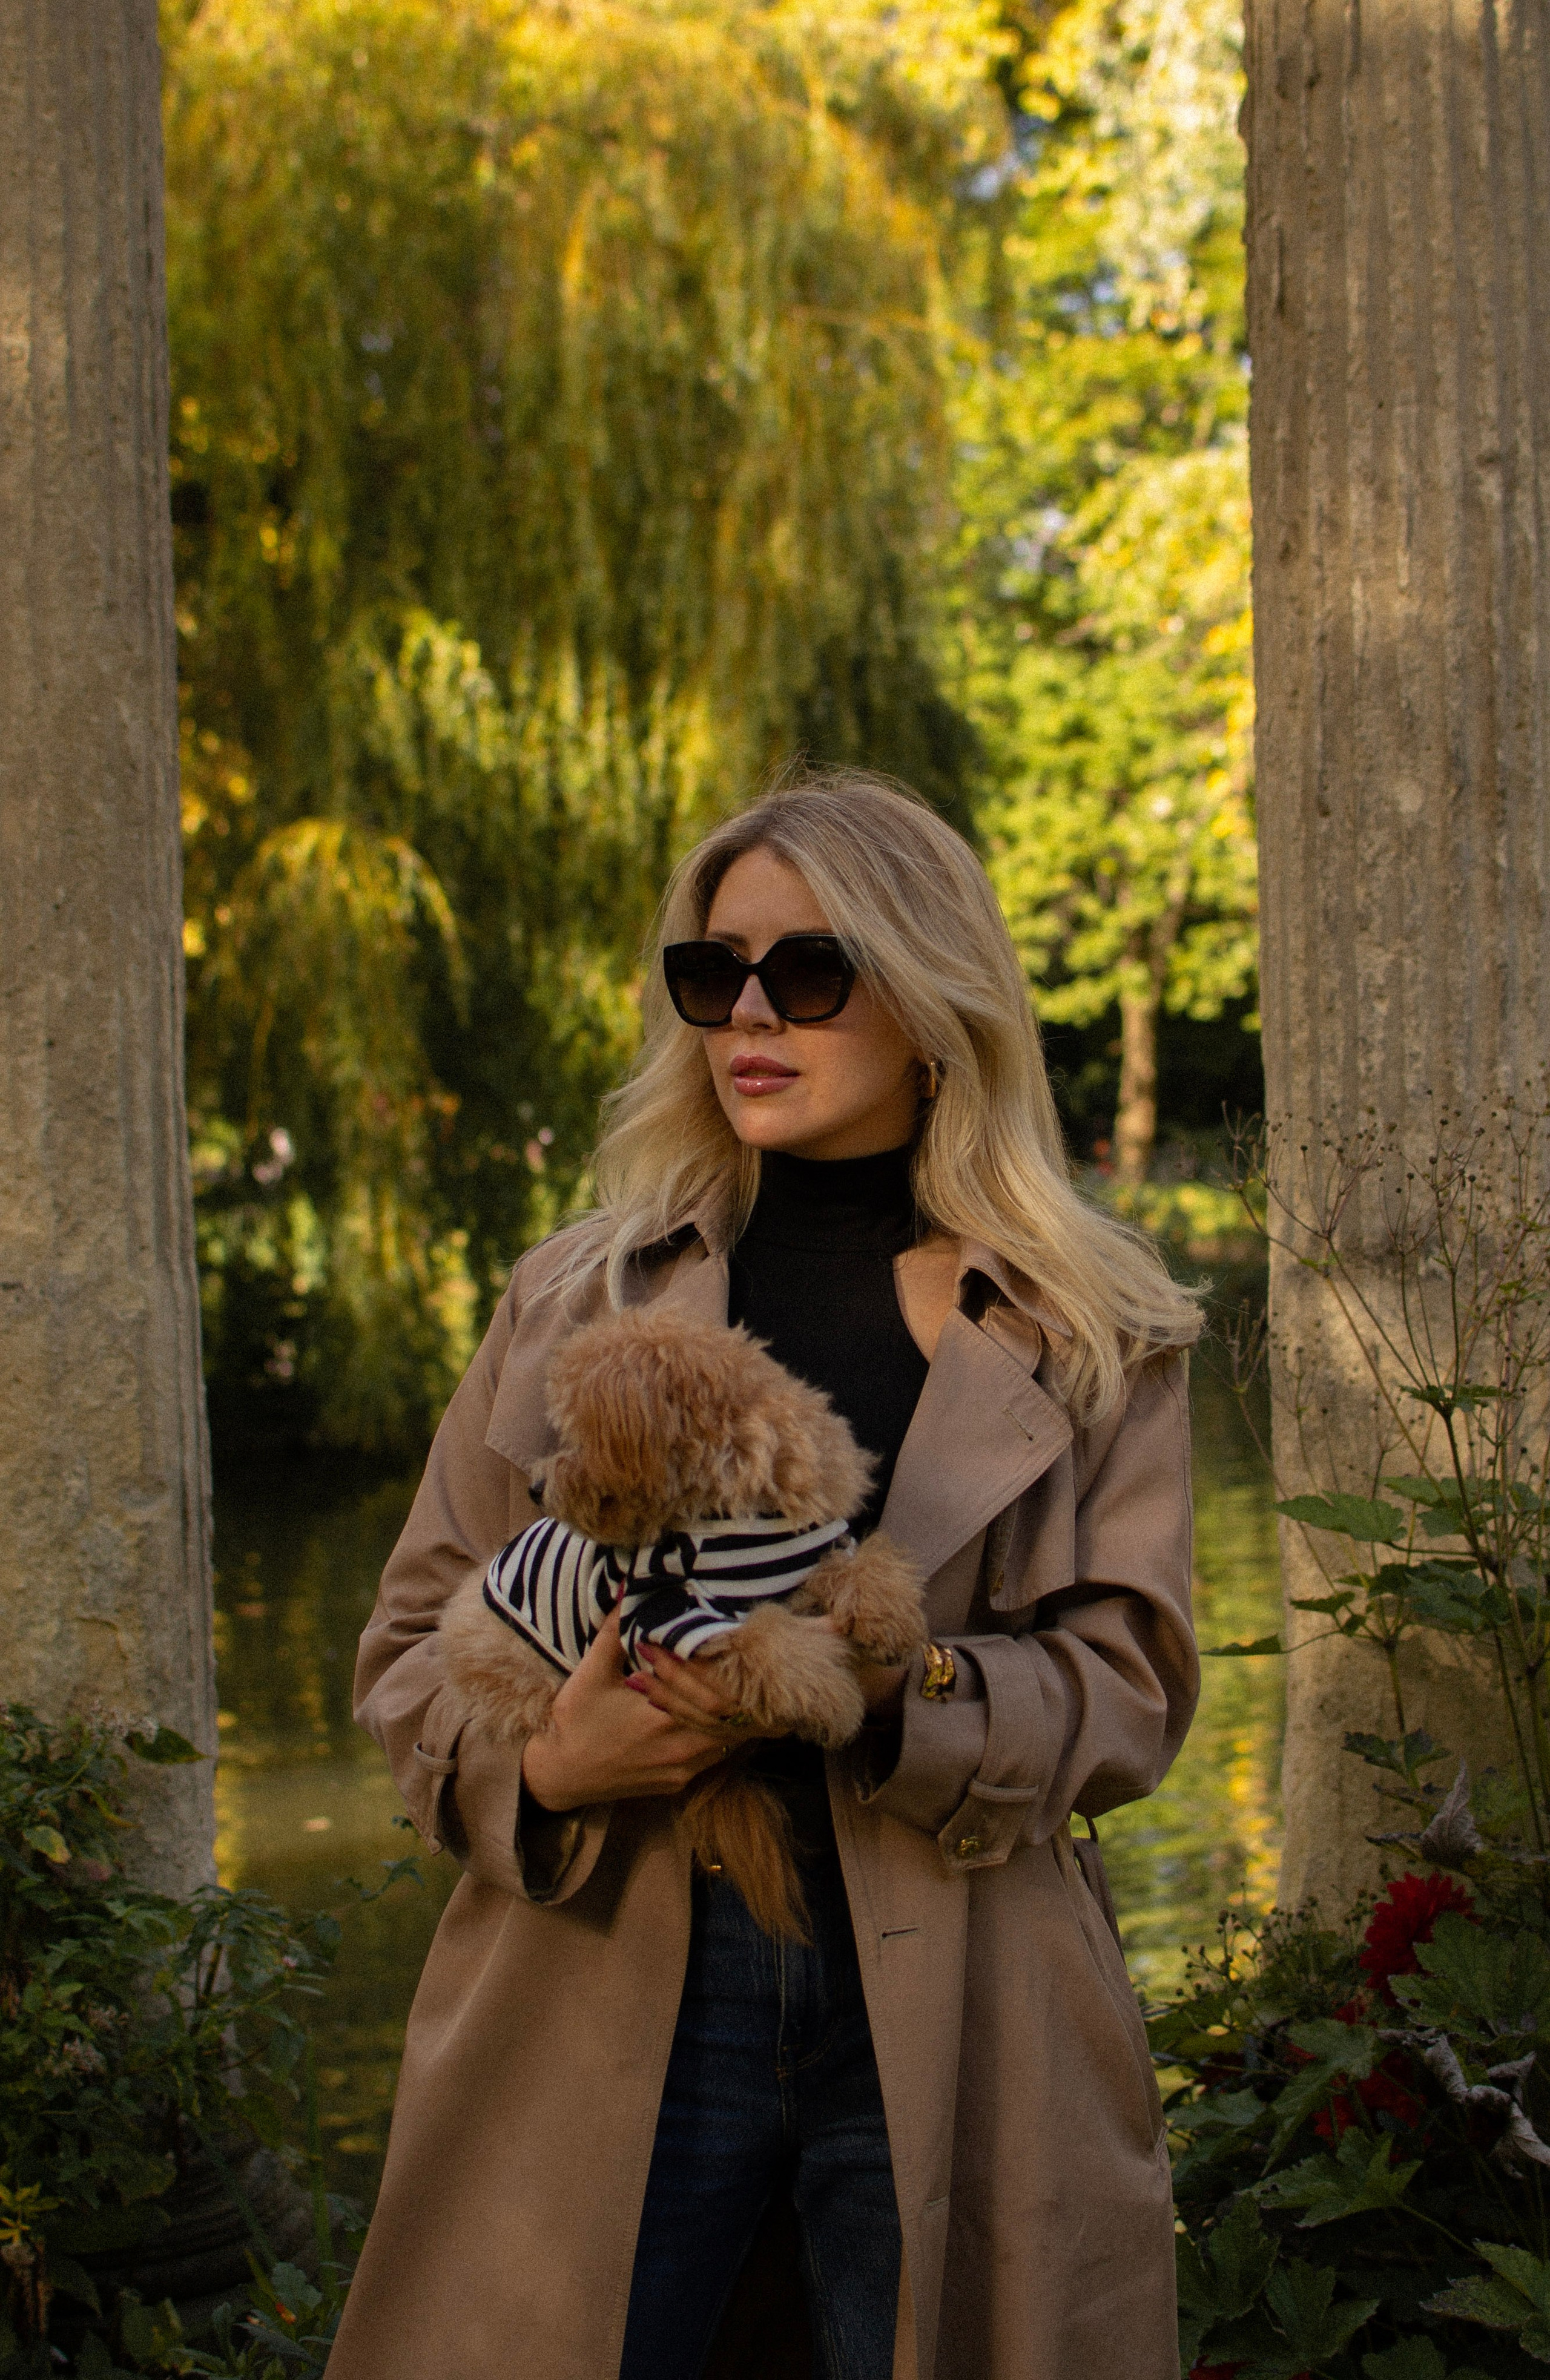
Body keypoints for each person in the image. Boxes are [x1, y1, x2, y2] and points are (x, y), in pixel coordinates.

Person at [327, 769, 1201, 2380]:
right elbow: (409, 1649)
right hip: (610, 1968)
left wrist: (906, 1695)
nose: (747, 1011)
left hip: (959, 1996)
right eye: (710, 970)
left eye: (808, 971)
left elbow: (1130, 1691)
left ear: (933, 999)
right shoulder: (574, 1295)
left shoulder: (1094, 1331)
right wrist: (553, 1761)